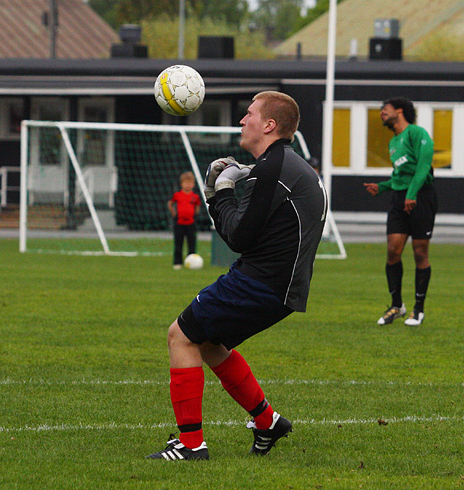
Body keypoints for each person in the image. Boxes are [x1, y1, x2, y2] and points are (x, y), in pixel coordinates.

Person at [148, 91, 327, 461]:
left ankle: (191, 444)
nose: (242, 121)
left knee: (180, 336)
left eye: (249, 114)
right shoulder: (286, 165)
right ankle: (268, 422)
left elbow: (238, 237)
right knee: (209, 343)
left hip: (261, 282)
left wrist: (218, 192)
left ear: (269, 125)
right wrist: (226, 193)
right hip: (278, 285)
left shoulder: (271, 169)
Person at [364, 97, 437, 327]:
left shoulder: (417, 133)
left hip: (421, 196)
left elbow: (424, 167)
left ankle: (418, 309)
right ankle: (397, 305)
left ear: (399, 110)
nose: (381, 114)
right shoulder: (394, 142)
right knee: (393, 251)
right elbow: (399, 177)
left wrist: (412, 194)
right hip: (401, 199)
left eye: (384, 109)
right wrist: (382, 187)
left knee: (419, 253)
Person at [168, 171, 201, 269]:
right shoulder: (177, 195)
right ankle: (177, 263)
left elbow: (197, 206)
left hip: (191, 223)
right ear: (181, 184)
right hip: (179, 223)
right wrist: (174, 213)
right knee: (178, 243)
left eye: (190, 183)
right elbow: (170, 203)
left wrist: (194, 214)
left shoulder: (195, 197)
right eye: (186, 183)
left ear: (193, 184)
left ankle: (192, 262)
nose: (188, 185)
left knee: (192, 243)